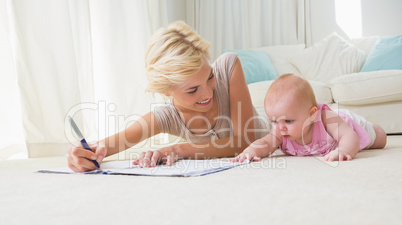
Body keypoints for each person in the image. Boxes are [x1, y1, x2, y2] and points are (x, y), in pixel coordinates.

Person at [67, 20, 269, 172]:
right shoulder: (166, 117)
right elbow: (103, 147)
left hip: (277, 130)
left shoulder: (227, 66)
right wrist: (82, 155)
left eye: (210, 76)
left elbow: (245, 142)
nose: (208, 92)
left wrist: (180, 150)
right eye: (192, 90)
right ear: (166, 90)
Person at [232, 74, 387, 163]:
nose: (280, 127)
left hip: (347, 124)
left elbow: (348, 136)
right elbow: (266, 143)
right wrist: (251, 150)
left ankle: (372, 127)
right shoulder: (281, 130)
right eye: (273, 121)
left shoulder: (327, 119)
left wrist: (343, 150)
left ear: (312, 114)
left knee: (380, 139)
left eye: (288, 121)